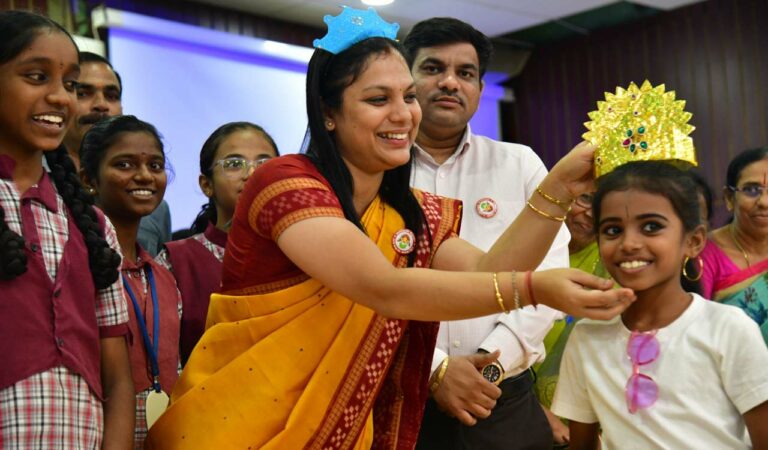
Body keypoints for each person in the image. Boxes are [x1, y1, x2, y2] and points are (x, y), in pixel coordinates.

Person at [145, 8, 634, 449]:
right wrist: (535, 288)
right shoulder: (286, 182)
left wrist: (559, 188)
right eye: (378, 99)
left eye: (406, 96)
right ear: (329, 113)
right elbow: (383, 288)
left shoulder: (408, 212)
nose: (404, 114)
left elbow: (486, 273)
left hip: (342, 426)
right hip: (240, 425)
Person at [403, 17, 566, 449]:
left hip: (503, 399)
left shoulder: (520, 164)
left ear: (478, 87)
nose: (450, 83)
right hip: (401, 399)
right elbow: (364, 286)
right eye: (433, 68)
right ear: (407, 79)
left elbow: (548, 274)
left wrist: (487, 368)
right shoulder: (374, 170)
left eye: (466, 73)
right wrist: (436, 369)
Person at [552, 161, 768, 449]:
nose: (629, 243)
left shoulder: (728, 328)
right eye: (613, 230)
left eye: (651, 227)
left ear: (693, 241)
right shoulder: (587, 337)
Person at [0, 10, 133, 449]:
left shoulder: (90, 225)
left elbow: (117, 381)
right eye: (37, 77)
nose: (61, 98)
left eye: (69, 84)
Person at [79, 115, 182, 448]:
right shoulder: (78, 266)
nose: (144, 176)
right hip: (95, 433)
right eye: (124, 164)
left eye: (155, 165)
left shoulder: (163, 276)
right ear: (88, 180)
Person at [156, 121, 279, 365]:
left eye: (265, 163)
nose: (252, 174)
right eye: (234, 164)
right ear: (206, 185)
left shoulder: (302, 257)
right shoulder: (175, 262)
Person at [61, 51, 171, 256]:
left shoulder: (156, 208)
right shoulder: (34, 184)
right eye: (83, 93)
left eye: (111, 96)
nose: (101, 104)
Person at [699, 148, 768, 342]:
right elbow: (693, 329)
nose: (764, 201)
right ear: (730, 198)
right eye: (752, 190)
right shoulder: (703, 253)